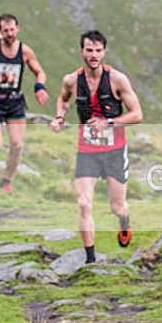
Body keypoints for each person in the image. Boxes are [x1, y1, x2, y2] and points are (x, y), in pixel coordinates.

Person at [50, 30, 143, 264]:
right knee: (83, 203)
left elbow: (137, 114)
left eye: (98, 50)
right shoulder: (72, 80)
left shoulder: (117, 80)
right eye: (89, 50)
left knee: (117, 207)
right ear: (81, 52)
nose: (93, 55)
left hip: (114, 151)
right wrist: (60, 117)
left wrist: (108, 122)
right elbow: (63, 99)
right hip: (87, 151)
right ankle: (90, 260)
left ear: (104, 52)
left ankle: (124, 220)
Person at [0, 13, 49, 193]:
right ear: (0, 31)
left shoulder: (25, 51)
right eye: (5, 31)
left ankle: (6, 181)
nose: (9, 34)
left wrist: (39, 87)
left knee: (17, 145)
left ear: (18, 28)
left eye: (12, 30)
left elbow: (39, 71)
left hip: (14, 102)